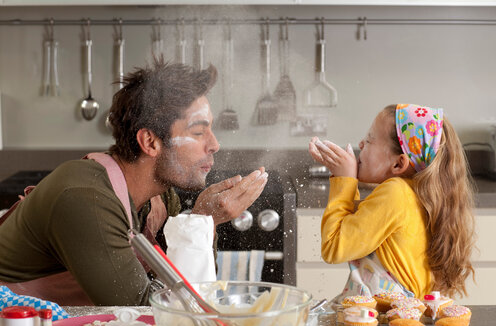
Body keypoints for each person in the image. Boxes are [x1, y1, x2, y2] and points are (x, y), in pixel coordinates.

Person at [0, 59, 268, 305]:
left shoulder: (160, 197)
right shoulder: (85, 198)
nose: (214, 144)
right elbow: (145, 312)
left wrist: (205, 222)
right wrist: (200, 220)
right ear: (150, 142)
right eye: (198, 131)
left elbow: (187, 295)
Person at [308, 104, 475, 301]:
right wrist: (345, 178)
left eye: (370, 140)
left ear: (398, 164)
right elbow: (353, 229)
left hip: (383, 317)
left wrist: (344, 181)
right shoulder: (417, 195)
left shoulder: (395, 193)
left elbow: (334, 247)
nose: (361, 143)